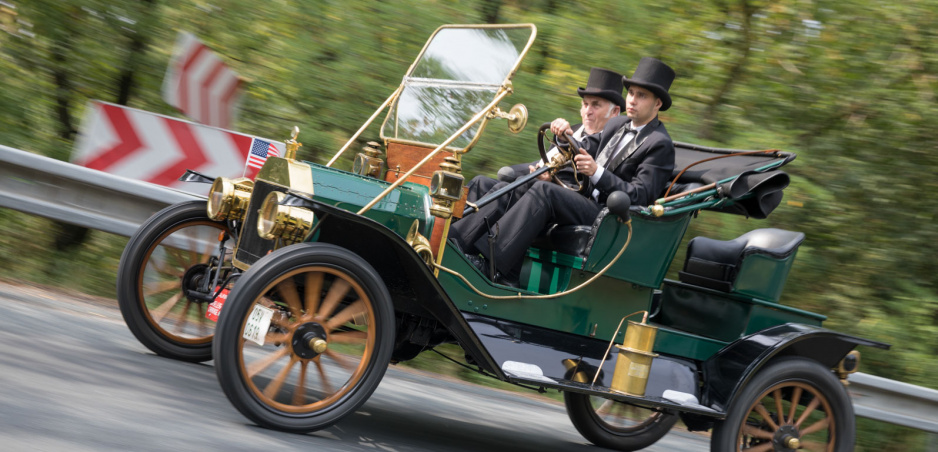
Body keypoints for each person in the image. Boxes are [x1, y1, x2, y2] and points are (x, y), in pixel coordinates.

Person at [451, 57, 676, 287]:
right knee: (520, 183)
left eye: (642, 96)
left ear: (657, 104)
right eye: (631, 93)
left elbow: (640, 196)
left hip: (608, 217)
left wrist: (597, 172)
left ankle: (492, 267)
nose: (633, 100)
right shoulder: (616, 125)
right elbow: (582, 147)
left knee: (544, 192)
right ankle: (455, 244)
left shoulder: (660, 144)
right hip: (584, 199)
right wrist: (563, 137)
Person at [463, 67, 625, 207]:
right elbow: (546, 161)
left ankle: (466, 238)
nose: (588, 111)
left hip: (564, 198)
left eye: (596, 105)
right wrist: (536, 168)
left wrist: (550, 179)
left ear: (615, 112)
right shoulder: (571, 131)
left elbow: (583, 183)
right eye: (585, 104)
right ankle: (448, 233)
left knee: (510, 189)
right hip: (541, 183)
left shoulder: (610, 145)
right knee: (480, 183)